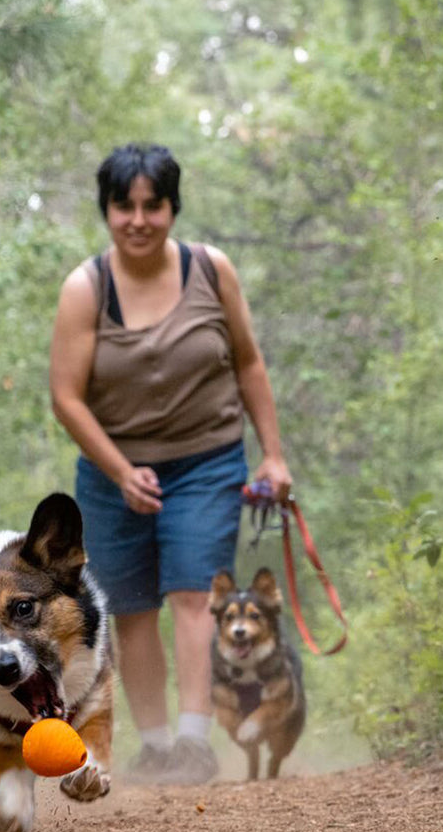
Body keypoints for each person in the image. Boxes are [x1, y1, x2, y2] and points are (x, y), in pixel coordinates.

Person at [49, 142, 293, 784]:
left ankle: (193, 743)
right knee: (129, 609)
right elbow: (66, 398)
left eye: (152, 206)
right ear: (106, 210)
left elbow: (249, 363)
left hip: (206, 463)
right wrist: (120, 472)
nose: (138, 220)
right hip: (112, 474)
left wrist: (272, 455)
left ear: (173, 208)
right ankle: (155, 746)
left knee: (192, 593)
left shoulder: (211, 270)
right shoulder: (86, 288)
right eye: (123, 206)